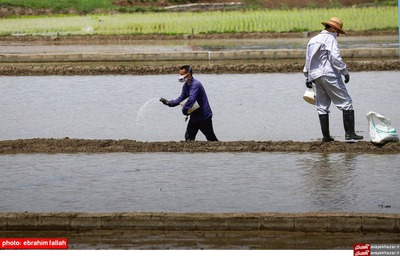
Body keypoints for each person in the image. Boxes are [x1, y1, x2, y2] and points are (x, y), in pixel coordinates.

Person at [303, 17, 363, 142]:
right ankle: (350, 134)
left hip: (315, 76)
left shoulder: (312, 40)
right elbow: (335, 57)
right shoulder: (330, 38)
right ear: (332, 28)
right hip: (329, 74)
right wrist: (344, 72)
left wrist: (308, 76)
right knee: (346, 102)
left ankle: (326, 137)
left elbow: (308, 60)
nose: (338, 35)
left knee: (322, 105)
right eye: (337, 32)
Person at [160, 65, 218, 141]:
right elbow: (181, 98)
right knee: (188, 139)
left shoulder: (195, 84)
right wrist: (169, 103)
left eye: (182, 74)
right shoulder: (185, 86)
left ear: (189, 74)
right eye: (179, 74)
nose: (180, 76)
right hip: (194, 117)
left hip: (204, 117)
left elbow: (191, 99)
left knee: (211, 139)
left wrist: (185, 109)